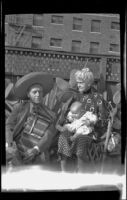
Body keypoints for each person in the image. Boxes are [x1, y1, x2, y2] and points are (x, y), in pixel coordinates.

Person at [57, 67, 110, 172]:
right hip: (74, 128)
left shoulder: (97, 98)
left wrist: (91, 122)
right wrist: (66, 122)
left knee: (80, 138)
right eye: (77, 82)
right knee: (63, 136)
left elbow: (104, 120)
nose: (78, 85)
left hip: (90, 131)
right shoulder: (75, 97)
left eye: (81, 83)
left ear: (89, 83)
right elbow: (66, 115)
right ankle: (63, 172)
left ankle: (81, 173)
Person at [6, 72, 57, 166]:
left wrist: (36, 150)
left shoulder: (51, 115)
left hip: (37, 151)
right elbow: (9, 125)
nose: (38, 94)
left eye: (40, 92)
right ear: (28, 94)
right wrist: (9, 144)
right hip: (16, 147)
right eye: (34, 92)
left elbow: (48, 136)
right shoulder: (19, 108)